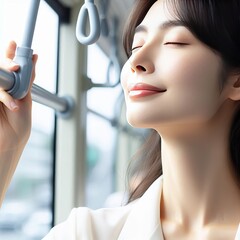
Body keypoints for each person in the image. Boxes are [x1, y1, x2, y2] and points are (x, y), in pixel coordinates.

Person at [0, 0, 240, 239]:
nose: (135, 62)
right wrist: (7, 146)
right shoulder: (86, 233)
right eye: (136, 47)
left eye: (174, 42)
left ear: (237, 81)